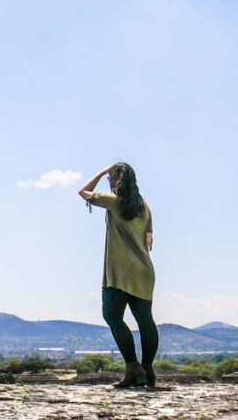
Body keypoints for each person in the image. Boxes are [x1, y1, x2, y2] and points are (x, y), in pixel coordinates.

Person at [78, 162, 158, 388]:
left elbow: (82, 192)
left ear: (117, 181)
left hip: (119, 270)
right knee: (145, 320)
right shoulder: (144, 207)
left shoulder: (114, 202)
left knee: (112, 316)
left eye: (111, 178)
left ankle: (133, 368)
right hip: (144, 270)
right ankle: (148, 369)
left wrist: (103, 171)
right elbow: (149, 240)